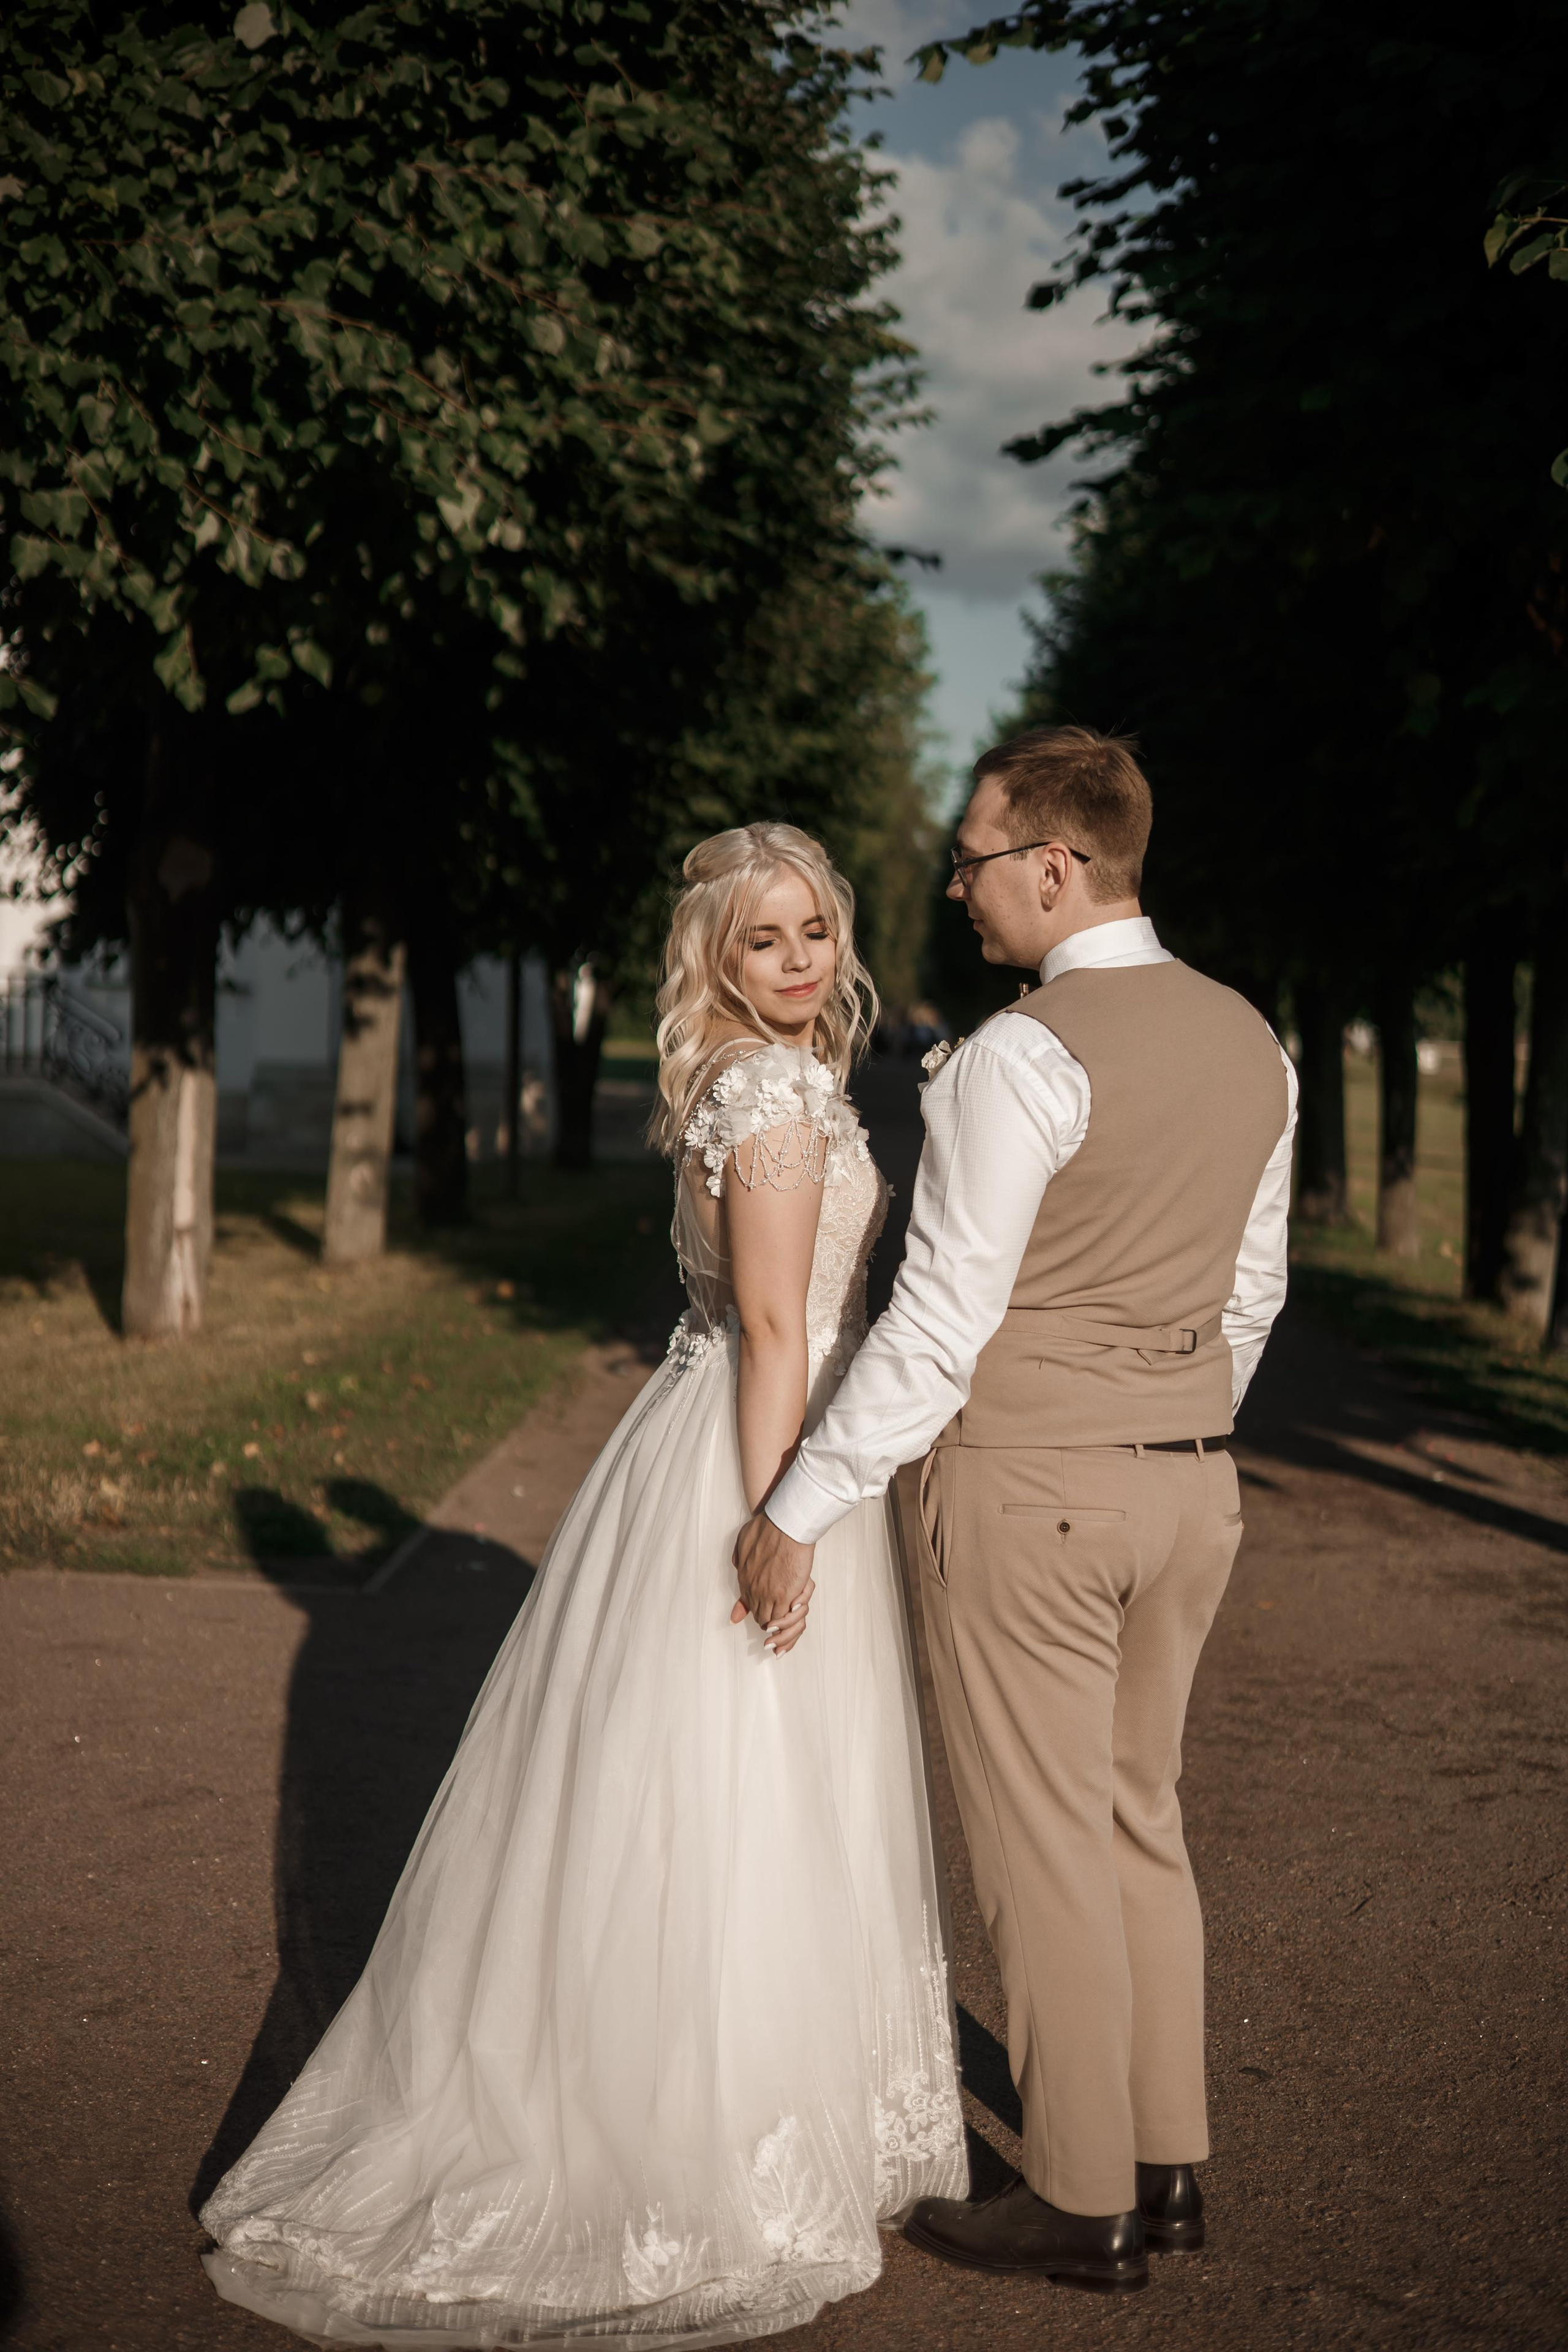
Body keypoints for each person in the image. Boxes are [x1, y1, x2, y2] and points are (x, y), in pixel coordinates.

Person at [200, 824, 965, 2346]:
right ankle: (703, 2120)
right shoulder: (774, 1090)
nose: (803, 958)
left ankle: (760, 2093)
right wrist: (780, 1520)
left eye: (816, 928)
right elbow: (769, 1326)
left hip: (731, 1436)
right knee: (739, 1782)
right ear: (715, 961)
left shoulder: (751, 1080)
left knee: (710, 1793)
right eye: (764, 940)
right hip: (757, 1452)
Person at [737, 726, 1297, 2294]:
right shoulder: (1255, 1042)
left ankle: (1074, 2191)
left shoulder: (1018, 1058)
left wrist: (804, 1499)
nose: (957, 883)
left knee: (1043, 1840)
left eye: (975, 855)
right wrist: (1163, 1419)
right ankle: (1167, 2161)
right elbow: (1247, 1298)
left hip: (1029, 1490)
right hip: (1190, 1485)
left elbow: (936, 1324)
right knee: (1138, 1816)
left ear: (1056, 865)